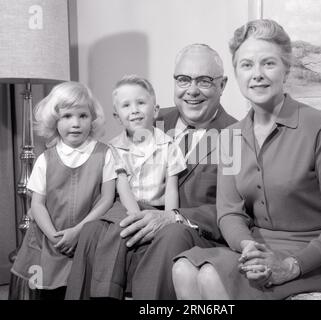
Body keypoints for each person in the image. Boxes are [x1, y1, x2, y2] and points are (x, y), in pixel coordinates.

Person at [172, 19, 321, 300]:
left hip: (317, 261)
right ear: (235, 74)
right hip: (256, 252)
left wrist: (291, 266)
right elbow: (230, 212)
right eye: (247, 65)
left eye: (268, 64)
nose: (257, 74)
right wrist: (247, 246)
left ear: (286, 68)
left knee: (212, 276)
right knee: (183, 268)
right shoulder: (230, 136)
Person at [65, 44, 236, 299]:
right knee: (92, 231)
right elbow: (111, 159)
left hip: (188, 232)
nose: (192, 90)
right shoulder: (150, 117)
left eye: (204, 81)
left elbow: (234, 208)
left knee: (172, 234)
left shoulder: (235, 136)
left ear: (222, 85)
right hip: (136, 216)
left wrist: (174, 216)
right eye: (183, 79)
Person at [66, 75, 186, 298]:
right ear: (117, 116)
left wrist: (170, 216)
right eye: (126, 105)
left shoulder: (169, 146)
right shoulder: (113, 148)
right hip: (125, 204)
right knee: (108, 229)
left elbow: (171, 188)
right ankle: (103, 291)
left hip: (155, 209)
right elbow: (122, 188)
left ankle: (110, 289)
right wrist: (136, 216)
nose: (135, 110)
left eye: (141, 103)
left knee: (137, 228)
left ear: (156, 109)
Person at [11, 81, 116, 299]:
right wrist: (54, 236)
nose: (75, 123)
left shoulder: (105, 154)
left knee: (79, 290)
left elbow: (106, 200)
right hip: (48, 240)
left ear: (92, 118)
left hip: (86, 238)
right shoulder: (44, 159)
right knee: (47, 293)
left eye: (83, 116)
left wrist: (78, 232)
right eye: (67, 116)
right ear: (54, 121)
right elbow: (37, 204)